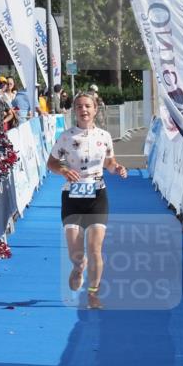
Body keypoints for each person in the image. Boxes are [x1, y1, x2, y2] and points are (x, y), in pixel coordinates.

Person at [46, 91, 128, 310]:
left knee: (95, 248)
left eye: (88, 106)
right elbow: (51, 163)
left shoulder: (104, 136)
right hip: (72, 197)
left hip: (97, 196)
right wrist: (64, 170)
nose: (84, 110)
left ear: (95, 110)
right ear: (75, 111)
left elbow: (109, 162)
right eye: (80, 106)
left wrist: (117, 168)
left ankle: (93, 294)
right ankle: (78, 267)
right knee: (77, 254)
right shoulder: (66, 137)